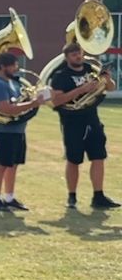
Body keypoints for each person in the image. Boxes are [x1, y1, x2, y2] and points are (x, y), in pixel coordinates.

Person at [48, 42, 120, 209]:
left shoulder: (90, 69)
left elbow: (110, 88)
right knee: (74, 160)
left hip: (92, 118)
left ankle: (98, 196)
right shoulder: (61, 75)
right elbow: (57, 100)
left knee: (98, 157)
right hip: (72, 121)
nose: (78, 57)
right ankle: (72, 197)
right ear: (67, 58)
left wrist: (107, 79)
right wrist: (81, 89)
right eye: (74, 55)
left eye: (79, 53)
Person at [0, 52, 45, 211]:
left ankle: (9, 197)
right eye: (14, 65)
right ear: (3, 66)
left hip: (18, 130)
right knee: (2, 164)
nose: (17, 68)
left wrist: (35, 99)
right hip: (4, 131)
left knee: (13, 165)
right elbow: (6, 108)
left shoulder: (13, 82)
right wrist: (33, 103)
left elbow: (20, 103)